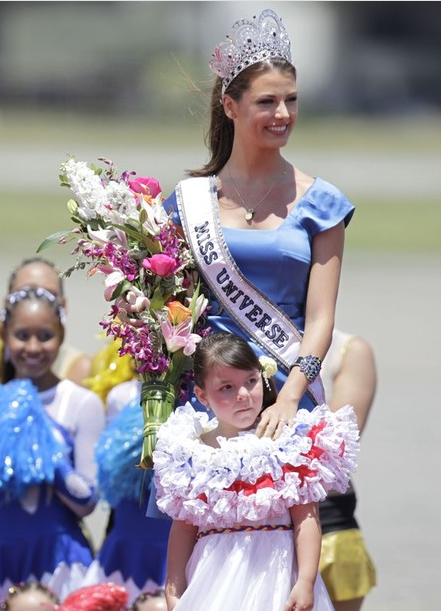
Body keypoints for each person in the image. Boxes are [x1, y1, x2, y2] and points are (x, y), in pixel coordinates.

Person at [158, 8, 354, 438]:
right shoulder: (188, 202)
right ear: (230, 105)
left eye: (292, 99)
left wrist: (289, 398)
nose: (283, 113)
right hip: (209, 397)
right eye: (267, 101)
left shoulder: (321, 204)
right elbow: (169, 307)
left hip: (289, 396)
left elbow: (320, 320)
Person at [154, 331, 359, 611]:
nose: (243, 395)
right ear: (202, 395)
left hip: (278, 575)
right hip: (213, 579)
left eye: (250, 382)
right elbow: (183, 526)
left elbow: (306, 518)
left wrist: (306, 581)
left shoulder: (286, 443)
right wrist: (174, 586)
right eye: (226, 387)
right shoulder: (190, 452)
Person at [0, 286, 106, 610]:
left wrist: (44, 451)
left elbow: (87, 501)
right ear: (4, 336)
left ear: (61, 335)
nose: (33, 347)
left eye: (45, 335)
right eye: (22, 335)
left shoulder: (81, 402)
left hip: (58, 558)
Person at [0, 256, 93, 410]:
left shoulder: (77, 369)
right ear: (6, 303)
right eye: (24, 293)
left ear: (64, 306)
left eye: (49, 294)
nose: (36, 301)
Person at [81, 380, 170, 604]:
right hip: (126, 538)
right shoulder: (120, 395)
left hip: (174, 543)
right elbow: (111, 475)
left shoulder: (200, 396)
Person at [318, 330, 377, 611]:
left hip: (326, 521)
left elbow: (335, 449)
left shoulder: (347, 350)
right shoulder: (223, 335)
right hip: (239, 523)